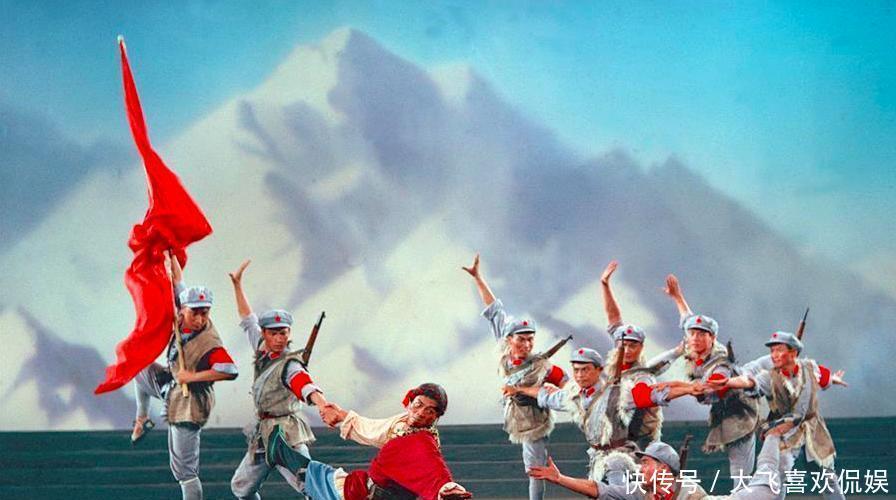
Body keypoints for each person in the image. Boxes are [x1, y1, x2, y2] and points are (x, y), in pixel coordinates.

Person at [131, 251, 238, 500]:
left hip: (190, 403)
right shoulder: (182, 310)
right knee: (139, 368)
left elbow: (230, 370)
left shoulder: (209, 342)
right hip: (172, 385)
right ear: (183, 310)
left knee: (184, 471)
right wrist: (169, 251)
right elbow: (178, 280)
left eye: (205, 313)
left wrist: (192, 377)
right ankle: (142, 418)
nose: (200, 319)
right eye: (195, 313)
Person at [463, 254, 568, 500]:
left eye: (530, 339)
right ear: (510, 339)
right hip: (512, 414)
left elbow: (568, 385)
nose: (526, 344)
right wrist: (478, 277)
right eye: (521, 339)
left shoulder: (541, 365)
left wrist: (560, 390)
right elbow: (494, 310)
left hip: (533, 421)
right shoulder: (504, 344)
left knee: (536, 470)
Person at [227, 259, 333, 499]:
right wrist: (237, 285)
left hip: (286, 435)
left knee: (309, 483)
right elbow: (248, 319)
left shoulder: (290, 364)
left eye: (283, 333)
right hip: (263, 434)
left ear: (289, 333)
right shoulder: (262, 348)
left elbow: (304, 384)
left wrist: (322, 404)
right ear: (265, 334)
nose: (278, 338)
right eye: (273, 333)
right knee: (241, 487)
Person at [645, 274, 761, 483]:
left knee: (740, 475)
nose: (695, 338)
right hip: (722, 412)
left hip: (740, 415)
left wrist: (672, 385)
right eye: (692, 334)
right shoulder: (693, 346)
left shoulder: (720, 363)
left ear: (712, 338)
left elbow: (705, 389)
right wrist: (677, 297)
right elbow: (688, 319)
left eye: (702, 334)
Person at [266, 383, 471, 500]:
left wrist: (447, 487)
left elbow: (434, 468)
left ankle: (280, 451)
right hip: (365, 490)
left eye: (430, 411)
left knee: (317, 480)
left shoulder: (423, 441)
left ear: (436, 417)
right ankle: (278, 449)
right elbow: (372, 429)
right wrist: (340, 415)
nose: (421, 413)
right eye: (418, 405)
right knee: (319, 477)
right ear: (409, 403)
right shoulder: (400, 423)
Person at [707, 331, 848, 499]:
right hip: (783, 431)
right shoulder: (769, 377)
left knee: (827, 476)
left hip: (812, 429)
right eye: (772, 350)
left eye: (779, 350)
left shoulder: (810, 368)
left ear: (793, 353)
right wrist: (729, 382)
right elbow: (750, 382)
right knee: (778, 475)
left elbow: (824, 378)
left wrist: (834, 379)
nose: (774, 355)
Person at [529, 430, 792, 499]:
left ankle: (772, 435)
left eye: (646, 463)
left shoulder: (690, 495)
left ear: (663, 469)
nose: (640, 469)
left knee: (768, 486)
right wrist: (561, 479)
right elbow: (600, 489)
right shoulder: (640, 492)